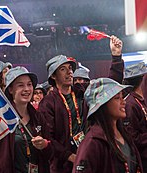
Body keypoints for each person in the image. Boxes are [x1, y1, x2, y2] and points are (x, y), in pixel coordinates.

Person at [38, 35, 124, 173]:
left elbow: (110, 88)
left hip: (90, 154)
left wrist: (116, 57)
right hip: (63, 166)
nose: (69, 72)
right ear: (53, 76)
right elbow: (49, 138)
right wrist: (70, 156)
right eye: (63, 69)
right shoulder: (47, 104)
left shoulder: (83, 92)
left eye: (70, 68)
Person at [73, 78, 143, 173]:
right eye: (117, 98)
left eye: (122, 96)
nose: (124, 102)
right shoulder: (93, 143)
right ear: (103, 104)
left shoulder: (123, 134)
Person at [0, 66, 54, 173]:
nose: (26, 89)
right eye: (20, 85)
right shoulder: (0, 118)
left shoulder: (38, 117)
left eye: (29, 84)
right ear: (10, 89)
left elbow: (50, 151)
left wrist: (45, 145)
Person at [123, 62, 147, 172]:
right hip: (143, 159)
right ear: (143, 78)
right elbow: (132, 137)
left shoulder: (142, 99)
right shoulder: (130, 104)